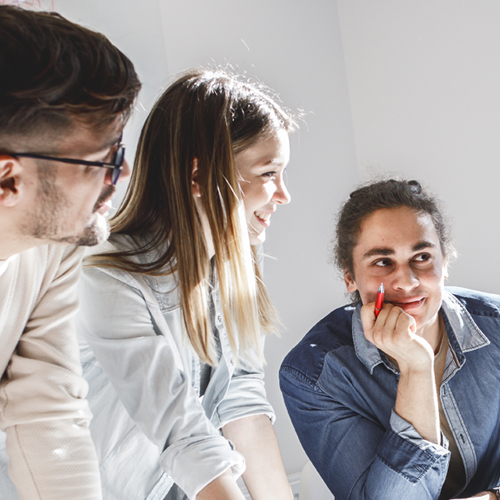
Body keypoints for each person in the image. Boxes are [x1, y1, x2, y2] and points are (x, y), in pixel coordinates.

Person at [76, 69, 295, 500]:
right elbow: (181, 431)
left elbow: (242, 400)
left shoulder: (237, 262)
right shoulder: (105, 276)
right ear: (198, 177)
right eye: (269, 173)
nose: (284, 194)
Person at [280, 179, 500, 500]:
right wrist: (416, 369)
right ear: (350, 277)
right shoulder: (312, 375)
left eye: (422, 257)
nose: (407, 281)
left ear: (446, 261)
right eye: (383, 262)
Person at [0, 6, 141, 500]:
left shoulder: (54, 245)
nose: (121, 176)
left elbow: (46, 413)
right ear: (6, 179)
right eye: (105, 158)